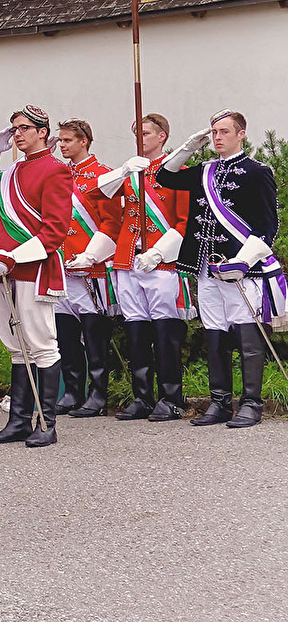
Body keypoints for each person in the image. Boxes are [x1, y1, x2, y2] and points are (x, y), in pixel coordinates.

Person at [156, 109, 281, 428]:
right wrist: (186, 149)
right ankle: (221, 402)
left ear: (241, 134)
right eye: (214, 132)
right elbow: (165, 177)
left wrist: (244, 260)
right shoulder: (204, 170)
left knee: (246, 335)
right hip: (205, 267)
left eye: (224, 131)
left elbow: (269, 224)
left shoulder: (257, 171)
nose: (217, 137)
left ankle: (252, 403)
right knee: (215, 335)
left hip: (241, 270)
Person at [0, 105, 73, 447]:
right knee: (16, 347)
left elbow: (55, 230)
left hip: (31, 268)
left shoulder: (56, 169)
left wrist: (13, 257)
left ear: (43, 132)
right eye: (14, 128)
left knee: (41, 344)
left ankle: (46, 422)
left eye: (25, 128)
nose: (18, 133)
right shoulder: (13, 170)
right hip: (2, 269)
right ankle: (18, 421)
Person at [95, 113, 191, 422]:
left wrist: (159, 252)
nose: (142, 139)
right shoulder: (130, 174)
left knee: (165, 332)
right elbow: (95, 195)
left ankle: (171, 398)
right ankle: (142, 397)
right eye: (137, 134)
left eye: (147, 133)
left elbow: (183, 222)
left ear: (162, 136)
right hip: (128, 259)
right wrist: (122, 170)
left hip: (162, 262)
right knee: (136, 330)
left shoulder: (178, 173)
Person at [53, 120, 118, 418]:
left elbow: (111, 221)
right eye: (61, 140)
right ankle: (72, 392)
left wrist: (91, 256)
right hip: (62, 265)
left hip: (90, 267)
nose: (62, 145)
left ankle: (98, 394)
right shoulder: (58, 175)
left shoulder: (103, 175)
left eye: (68, 140)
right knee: (66, 335)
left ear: (84, 141)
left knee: (94, 336)